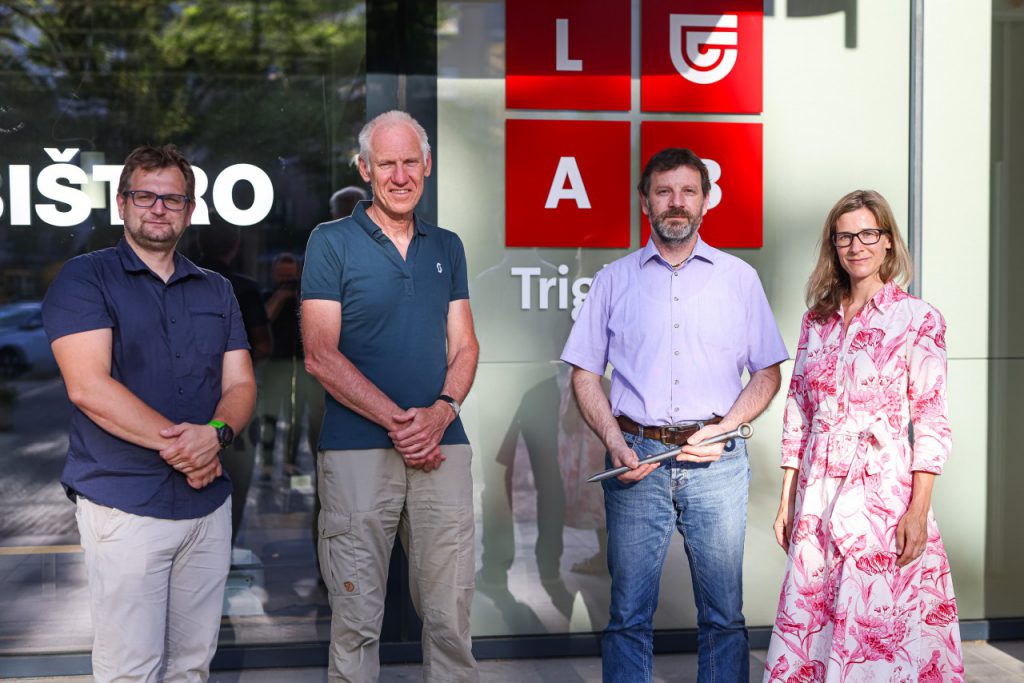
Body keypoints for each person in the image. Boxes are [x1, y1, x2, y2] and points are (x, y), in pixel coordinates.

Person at [561, 147, 788, 683]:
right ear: (645, 202)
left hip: (718, 464)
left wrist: (727, 426)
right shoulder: (614, 280)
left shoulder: (739, 279)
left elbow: (768, 372)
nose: (676, 203)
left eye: (688, 191)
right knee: (627, 618)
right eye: (663, 192)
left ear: (706, 201)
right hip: (636, 458)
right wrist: (615, 441)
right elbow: (583, 374)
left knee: (724, 619)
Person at [41, 144, 257, 682]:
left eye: (173, 199)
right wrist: (190, 448)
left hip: (206, 510)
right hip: (125, 504)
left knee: (191, 666)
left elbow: (242, 382)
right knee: (131, 669)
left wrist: (216, 433)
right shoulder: (85, 279)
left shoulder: (217, 288)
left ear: (189, 210)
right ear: (122, 203)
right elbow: (89, 386)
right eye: (145, 195)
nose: (159, 208)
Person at [301, 110, 480, 683]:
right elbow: (320, 354)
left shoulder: (446, 246)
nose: (400, 175)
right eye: (386, 163)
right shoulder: (330, 243)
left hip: (444, 447)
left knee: (451, 614)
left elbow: (467, 346)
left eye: (410, 162)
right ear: (364, 168)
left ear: (427, 166)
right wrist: (405, 425)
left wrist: (441, 412)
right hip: (356, 450)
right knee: (356, 618)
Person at [763, 190, 963, 682]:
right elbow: (798, 411)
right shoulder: (817, 321)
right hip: (818, 494)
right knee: (815, 615)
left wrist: (918, 510)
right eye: (845, 236)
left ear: (889, 243)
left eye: (868, 234)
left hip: (884, 495)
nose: (857, 246)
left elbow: (931, 419)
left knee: (879, 623)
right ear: (834, 245)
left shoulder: (918, 319)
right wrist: (788, 499)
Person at [197, 216, 271, 543]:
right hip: (238, 405)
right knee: (236, 484)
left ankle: (204, 554)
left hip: (192, 403)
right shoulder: (243, 286)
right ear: (236, 246)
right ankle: (224, 550)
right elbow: (264, 343)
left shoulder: (183, 282)